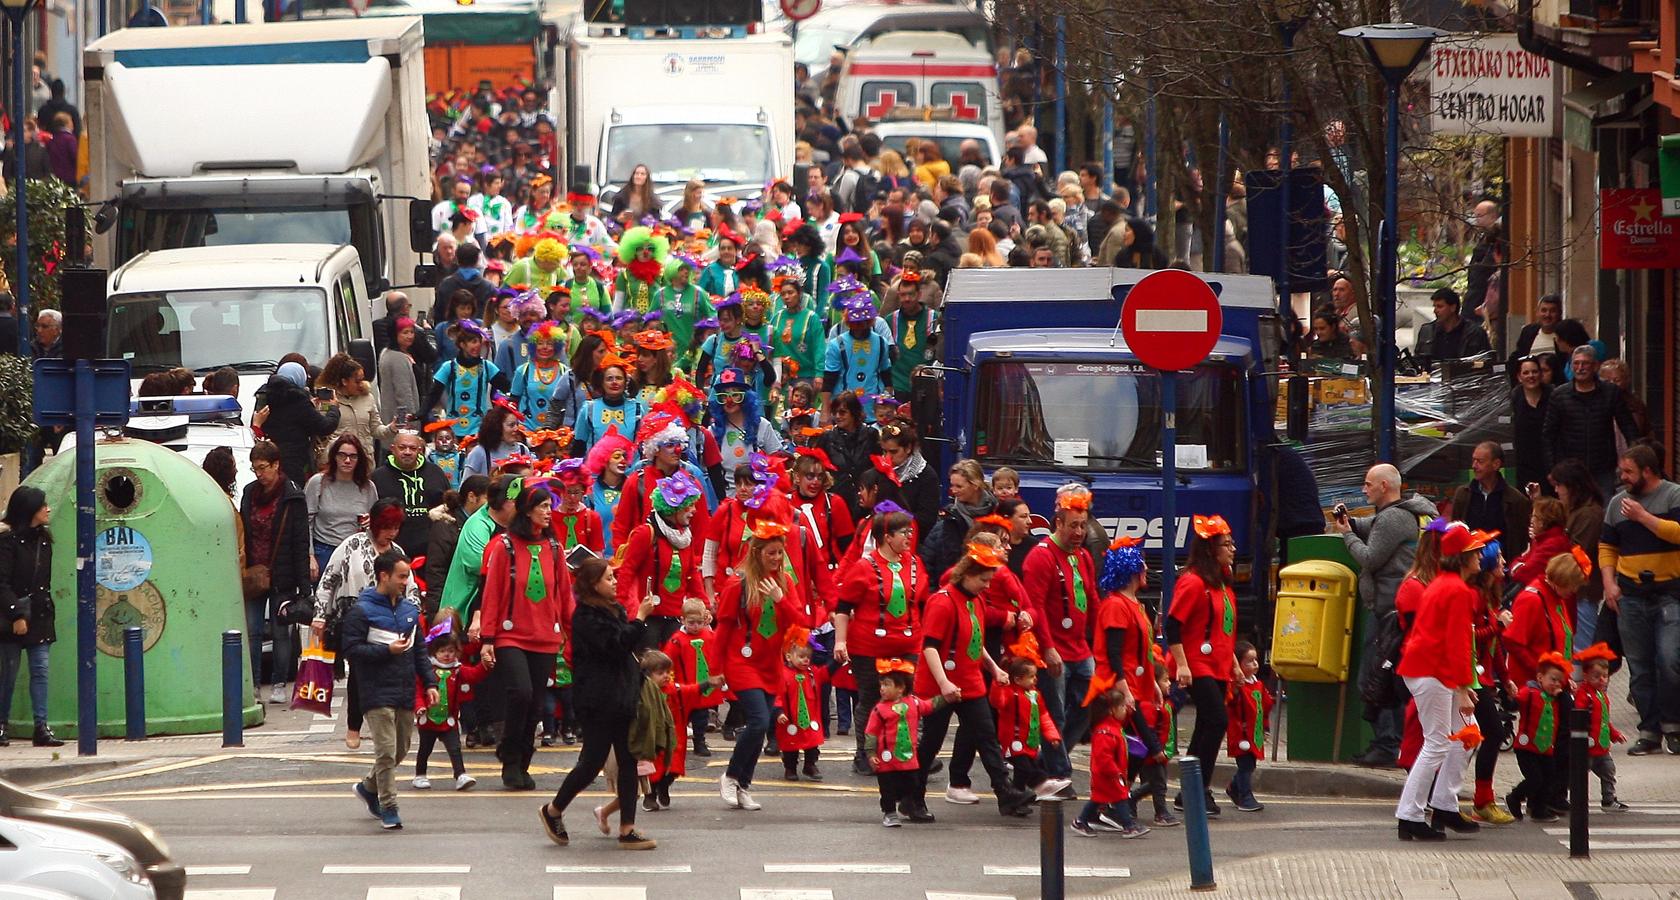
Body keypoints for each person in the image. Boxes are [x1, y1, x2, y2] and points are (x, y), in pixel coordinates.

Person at [909, 535, 1036, 819]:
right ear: (967, 575)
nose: (987, 586)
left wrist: (993, 668)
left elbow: (975, 642)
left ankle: (1005, 793)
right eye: (984, 580)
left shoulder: (976, 600)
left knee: (987, 737)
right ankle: (913, 798)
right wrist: (943, 684)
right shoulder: (941, 602)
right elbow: (929, 647)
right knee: (931, 742)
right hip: (939, 685)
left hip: (970, 681)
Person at [538, 556, 658, 850]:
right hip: (599, 700)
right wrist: (640, 618)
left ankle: (627, 828)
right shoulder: (586, 617)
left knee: (629, 760)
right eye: (609, 578)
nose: (615, 582)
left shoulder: (614, 610)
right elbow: (616, 647)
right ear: (593, 584)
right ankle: (553, 810)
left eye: (614, 577)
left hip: (622, 697)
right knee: (591, 762)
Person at [1335, 463, 1436, 767]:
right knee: (1391, 676)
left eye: (1368, 484)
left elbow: (1371, 556)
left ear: (1384, 486)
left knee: (1376, 677)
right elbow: (1375, 528)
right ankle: (1395, 742)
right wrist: (1351, 522)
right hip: (1398, 607)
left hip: (1388, 610)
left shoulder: (1394, 518)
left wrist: (1346, 536)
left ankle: (1386, 743)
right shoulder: (1402, 513)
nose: (1363, 489)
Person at [1394, 522, 1487, 841]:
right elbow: (1458, 642)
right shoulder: (1457, 590)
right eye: (1476, 551)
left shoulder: (1443, 583)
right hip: (1431, 672)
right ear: (1463, 557)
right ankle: (1410, 815)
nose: (1481, 556)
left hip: (1431, 670)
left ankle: (1444, 804)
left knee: (1464, 736)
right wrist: (1463, 688)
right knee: (1436, 742)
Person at [478, 480, 571, 790]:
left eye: (549, 506)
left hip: (545, 635)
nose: (549, 512)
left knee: (536, 705)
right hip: (511, 635)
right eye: (543, 506)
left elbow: (565, 595)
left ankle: (522, 762)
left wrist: (573, 632)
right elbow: (492, 594)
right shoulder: (504, 547)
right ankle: (509, 752)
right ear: (528, 511)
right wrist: (488, 638)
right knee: (521, 692)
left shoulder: (555, 548)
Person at [714, 516, 805, 811]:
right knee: (759, 721)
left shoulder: (785, 583)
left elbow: (801, 626)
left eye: (780, 552)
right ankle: (730, 775)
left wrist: (781, 598)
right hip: (742, 661)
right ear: (757, 553)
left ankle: (744, 785)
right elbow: (723, 630)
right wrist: (716, 670)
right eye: (771, 553)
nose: (777, 558)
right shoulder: (737, 584)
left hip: (770, 665)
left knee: (761, 725)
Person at [1599, 444, 1680, 755]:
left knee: (1669, 660)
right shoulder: (1617, 504)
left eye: (1629, 472)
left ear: (1648, 471)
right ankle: (1649, 730)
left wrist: (1645, 517)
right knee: (1640, 665)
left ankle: (1673, 725)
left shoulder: (1672, 496)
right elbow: (1607, 547)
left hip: (1669, 594)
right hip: (1630, 595)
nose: (1623, 477)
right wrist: (1609, 583)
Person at [345, 549, 434, 830]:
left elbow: (419, 650)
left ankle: (368, 787)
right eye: (402, 576)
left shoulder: (409, 611)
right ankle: (389, 806)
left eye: (407, 576)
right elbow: (352, 649)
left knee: (401, 748)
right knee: (385, 751)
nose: (406, 581)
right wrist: (386, 651)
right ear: (384, 576)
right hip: (374, 690)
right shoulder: (362, 610)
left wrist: (430, 682)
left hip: (404, 687)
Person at [1021, 483, 1099, 781]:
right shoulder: (1040, 557)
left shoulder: (1083, 557)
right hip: (1053, 650)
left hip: (1080, 648)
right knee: (1055, 714)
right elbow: (1035, 607)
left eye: (1083, 525)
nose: (1079, 532)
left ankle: (1047, 763)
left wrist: (1102, 643)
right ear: (1058, 523)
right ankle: (1059, 773)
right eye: (1073, 526)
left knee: (1085, 708)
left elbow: (1092, 599)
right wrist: (1048, 648)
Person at [1166, 514, 1240, 815]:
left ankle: (1190, 792)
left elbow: (1225, 628)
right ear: (1211, 549)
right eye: (1227, 544)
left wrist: (1234, 662)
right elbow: (1173, 626)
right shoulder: (1193, 582)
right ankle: (1201, 788)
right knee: (1217, 720)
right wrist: (1182, 665)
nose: (1232, 549)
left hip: (1218, 663)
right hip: (1197, 663)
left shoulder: (1222, 583)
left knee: (1206, 725)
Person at [240, 441, 310, 704]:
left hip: (283, 573)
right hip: (255, 573)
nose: (259, 474)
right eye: (255, 468)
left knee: (282, 630)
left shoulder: (292, 496)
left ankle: (280, 682)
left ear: (276, 465)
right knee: (253, 629)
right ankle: (255, 683)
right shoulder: (249, 493)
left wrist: (304, 585)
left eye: (263, 468)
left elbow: (300, 540)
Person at [0, 486, 60, 747]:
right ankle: (2, 725)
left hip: (39, 616)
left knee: (40, 672)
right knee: (7, 674)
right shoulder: (7, 541)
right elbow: (2, 583)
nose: (47, 509)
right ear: (29, 510)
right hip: (11, 618)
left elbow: (43, 581)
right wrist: (16, 615)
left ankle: (41, 727)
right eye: (42, 505)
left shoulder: (44, 541)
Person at [1543, 346, 1642, 499]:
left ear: (1595, 366)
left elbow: (1628, 427)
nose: (1580, 368)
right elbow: (1549, 435)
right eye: (1576, 363)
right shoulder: (1559, 395)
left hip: (1603, 467)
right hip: (1571, 470)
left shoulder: (1610, 393)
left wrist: (1635, 460)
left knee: (1604, 511)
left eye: (1585, 364)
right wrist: (1552, 468)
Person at [412, 618, 489, 791]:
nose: (447, 655)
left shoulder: (458, 670)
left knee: (455, 748)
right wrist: (419, 707)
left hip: (449, 719)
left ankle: (460, 774)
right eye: (442, 651)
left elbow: (474, 675)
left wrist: (485, 665)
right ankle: (420, 774)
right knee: (425, 749)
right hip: (428, 719)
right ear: (434, 652)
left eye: (451, 651)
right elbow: (417, 690)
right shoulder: (427, 671)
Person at [866, 660, 940, 827]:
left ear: (900, 688)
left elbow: (929, 706)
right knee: (888, 788)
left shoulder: (913, 703)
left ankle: (905, 802)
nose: (882, 689)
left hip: (908, 758)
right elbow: (870, 733)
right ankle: (889, 812)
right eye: (881, 685)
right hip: (886, 759)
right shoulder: (879, 709)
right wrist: (870, 753)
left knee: (912, 783)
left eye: (887, 685)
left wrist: (946, 698)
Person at [1071, 687, 1150, 838]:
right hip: (1107, 774)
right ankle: (1128, 825)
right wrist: (1115, 772)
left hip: (1109, 773)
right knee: (1120, 798)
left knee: (1097, 799)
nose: (1125, 710)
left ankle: (1081, 821)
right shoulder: (1105, 731)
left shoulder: (1112, 727)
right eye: (1122, 706)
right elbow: (1103, 757)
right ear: (1112, 710)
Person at [990, 656, 1070, 801]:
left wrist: (1052, 736)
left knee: (1026, 770)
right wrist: (998, 684)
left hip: (1029, 742)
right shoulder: (1010, 693)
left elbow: (1044, 717)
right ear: (1018, 679)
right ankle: (1020, 794)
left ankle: (1019, 795)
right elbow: (997, 702)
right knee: (1024, 768)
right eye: (1031, 677)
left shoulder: (1035, 695)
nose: (1035, 680)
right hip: (1013, 741)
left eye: (1035, 676)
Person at [1507, 652, 1569, 822]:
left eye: (1559, 681)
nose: (1556, 684)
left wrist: (1562, 694)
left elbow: (1569, 709)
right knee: (1535, 778)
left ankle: (1539, 809)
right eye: (1553, 679)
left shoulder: (1555, 698)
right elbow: (1515, 704)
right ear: (1540, 677)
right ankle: (1515, 796)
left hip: (1546, 747)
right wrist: (1508, 698)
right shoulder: (1529, 692)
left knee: (1549, 779)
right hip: (1527, 747)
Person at [306, 434, 380, 576]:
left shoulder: (368, 487)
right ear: (334, 457)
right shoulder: (318, 482)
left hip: (356, 551)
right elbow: (305, 522)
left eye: (353, 456)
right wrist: (310, 556)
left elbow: (376, 523)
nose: (347, 461)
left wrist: (371, 522)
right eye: (342, 455)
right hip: (324, 550)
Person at [260, 362, 341, 488]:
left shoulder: (264, 396)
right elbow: (325, 426)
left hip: (269, 460)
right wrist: (333, 409)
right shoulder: (298, 400)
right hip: (295, 462)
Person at [372, 431, 451, 559]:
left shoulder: (435, 473)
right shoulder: (378, 477)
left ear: (420, 450)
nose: (407, 452)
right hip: (391, 553)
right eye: (402, 447)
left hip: (431, 551)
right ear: (392, 449)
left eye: (413, 448)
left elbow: (448, 507)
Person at [1450, 442, 1532, 557]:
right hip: (1469, 566)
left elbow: (1521, 539)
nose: (1474, 465)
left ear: (1496, 464)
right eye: (1473, 460)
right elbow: (1455, 531)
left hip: (1501, 566)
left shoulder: (1515, 500)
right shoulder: (1463, 494)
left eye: (1480, 461)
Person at [1573, 643, 1629, 811]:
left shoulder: (1602, 696)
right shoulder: (1584, 695)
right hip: (1587, 746)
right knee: (1578, 776)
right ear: (1585, 675)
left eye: (1605, 676)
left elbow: (1604, 720)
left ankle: (1608, 799)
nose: (1602, 680)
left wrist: (1614, 734)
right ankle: (1568, 797)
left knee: (1609, 771)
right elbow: (1579, 716)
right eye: (1597, 676)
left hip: (1602, 746)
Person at [921, 459, 997, 577]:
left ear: (975, 485)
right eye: (952, 485)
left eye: (959, 486)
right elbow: (928, 560)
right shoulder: (947, 519)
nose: (953, 490)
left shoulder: (998, 514)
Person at [1224, 641, 1272, 813]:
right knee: (1245, 765)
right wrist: (1235, 690)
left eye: (1255, 660)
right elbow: (1231, 703)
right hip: (1241, 733)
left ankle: (1233, 787)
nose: (1255, 664)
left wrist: (1265, 728)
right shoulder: (1237, 686)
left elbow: (1264, 708)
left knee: (1250, 765)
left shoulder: (1258, 685)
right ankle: (1245, 795)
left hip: (1254, 733)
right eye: (1249, 661)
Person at [777, 637, 825, 781]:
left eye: (808, 657)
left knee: (812, 744)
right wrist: (778, 711)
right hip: (790, 717)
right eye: (802, 657)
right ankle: (790, 768)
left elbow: (825, 673)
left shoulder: (811, 673)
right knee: (790, 747)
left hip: (810, 717)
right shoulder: (783, 674)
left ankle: (810, 765)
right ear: (789, 657)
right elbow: (777, 694)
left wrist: (836, 661)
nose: (806, 660)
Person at [1413, 288, 1491, 369]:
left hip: (1463, 378)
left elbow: (1485, 361)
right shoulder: (1427, 331)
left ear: (1453, 308)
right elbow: (1418, 360)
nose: (1435, 311)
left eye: (1440, 306)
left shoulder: (1475, 333)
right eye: (1434, 306)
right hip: (1432, 377)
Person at [1511, 356, 1550, 490]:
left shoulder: (1553, 396)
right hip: (1524, 463)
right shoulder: (1513, 399)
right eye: (1526, 373)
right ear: (1519, 377)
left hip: (1549, 463)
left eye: (1534, 371)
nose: (1531, 376)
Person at [462, 404, 530, 479]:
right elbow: (466, 485)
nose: (516, 429)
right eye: (511, 425)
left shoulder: (523, 450)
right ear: (497, 427)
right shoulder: (479, 452)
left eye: (517, 424)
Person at [378, 317, 423, 426]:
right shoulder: (398, 358)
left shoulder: (387, 352)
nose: (410, 336)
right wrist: (411, 421)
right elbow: (403, 394)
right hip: (400, 422)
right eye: (405, 332)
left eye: (412, 332)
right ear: (395, 334)